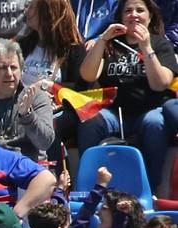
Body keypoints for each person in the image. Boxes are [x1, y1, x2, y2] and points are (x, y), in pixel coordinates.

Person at [72, 0, 178, 189]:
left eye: (140, 10)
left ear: (150, 16)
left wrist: (146, 48)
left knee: (155, 124)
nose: (134, 15)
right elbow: (87, 74)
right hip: (112, 112)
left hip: (149, 110)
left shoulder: (161, 44)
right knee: (89, 121)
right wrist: (102, 41)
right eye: (128, 11)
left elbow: (160, 84)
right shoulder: (111, 44)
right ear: (120, 17)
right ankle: (87, 185)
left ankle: (150, 187)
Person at [0, 39, 55, 161]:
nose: (9, 73)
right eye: (3, 68)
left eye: (13, 67)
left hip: (28, 169)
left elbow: (45, 142)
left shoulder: (37, 97)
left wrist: (27, 116)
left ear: (21, 70)